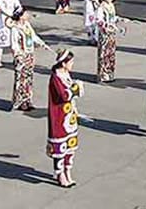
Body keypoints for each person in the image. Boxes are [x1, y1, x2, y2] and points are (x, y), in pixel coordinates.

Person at [47, 48, 83, 188]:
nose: (72, 64)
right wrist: (76, 88)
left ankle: (68, 170)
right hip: (59, 117)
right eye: (70, 62)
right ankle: (60, 173)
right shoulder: (55, 78)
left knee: (70, 145)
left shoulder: (66, 74)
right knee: (59, 147)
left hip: (69, 116)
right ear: (63, 63)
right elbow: (64, 95)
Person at [10, 6, 49, 111]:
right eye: (25, 13)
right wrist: (18, 55)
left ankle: (28, 100)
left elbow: (33, 36)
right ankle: (20, 101)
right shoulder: (15, 28)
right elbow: (14, 44)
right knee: (21, 79)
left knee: (29, 78)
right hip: (21, 56)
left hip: (29, 54)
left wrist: (42, 44)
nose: (27, 15)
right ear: (20, 16)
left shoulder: (27, 25)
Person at [0, 0, 21, 68]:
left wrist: (17, 15)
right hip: (3, 24)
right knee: (0, 44)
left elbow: (19, 7)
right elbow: (3, 9)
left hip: (13, 24)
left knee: (14, 44)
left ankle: (15, 59)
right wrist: (12, 15)